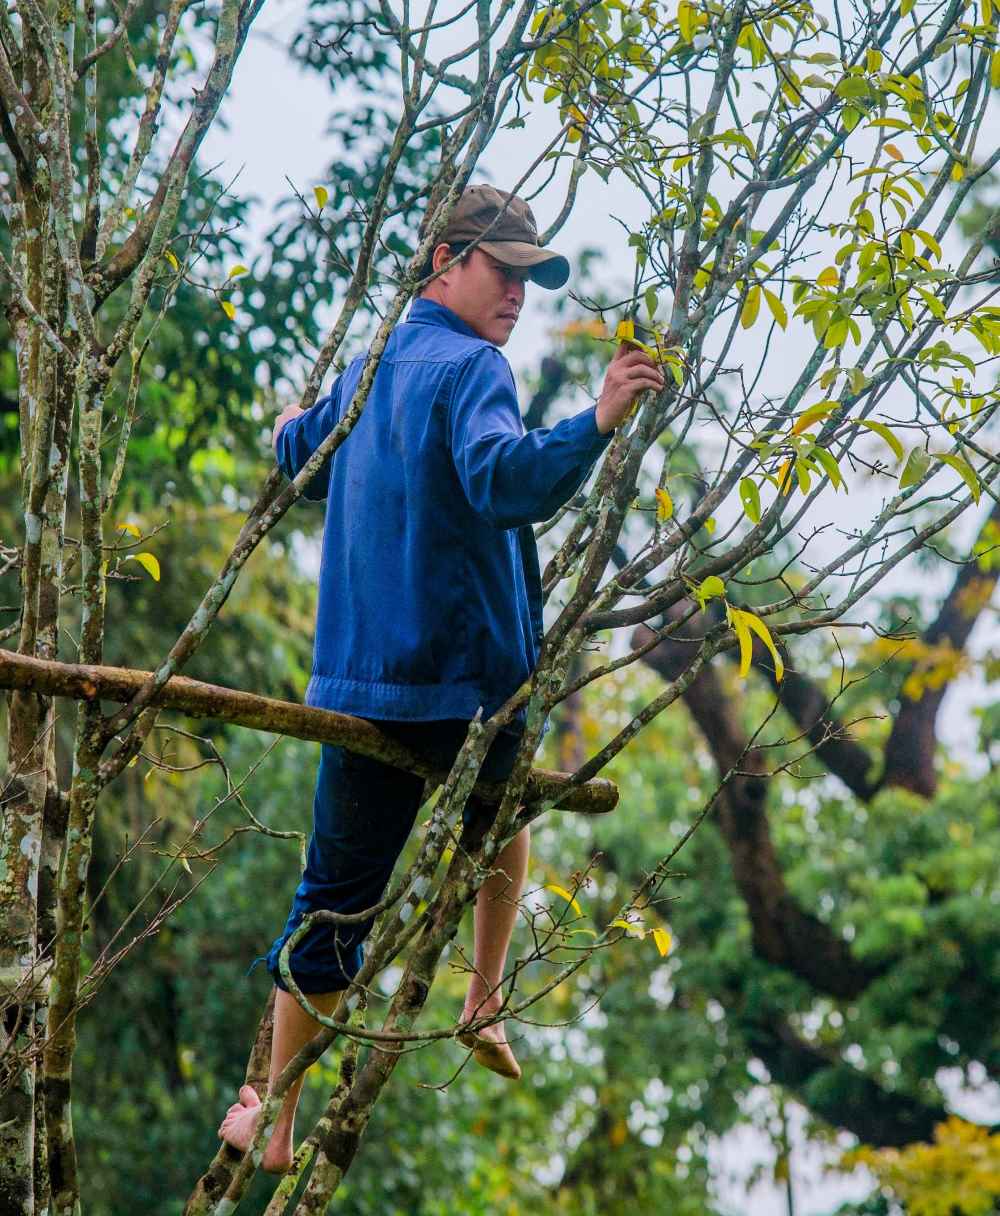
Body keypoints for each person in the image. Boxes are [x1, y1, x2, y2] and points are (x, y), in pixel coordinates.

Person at [219, 183, 666, 1172]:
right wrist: (594, 420)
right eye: (502, 270)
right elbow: (504, 481)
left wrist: (293, 419)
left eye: (527, 276)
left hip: (359, 690)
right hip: (467, 690)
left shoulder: (373, 357)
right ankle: (484, 995)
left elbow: (308, 447)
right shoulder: (475, 369)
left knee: (331, 903)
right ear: (444, 262)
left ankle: (280, 1123)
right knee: (500, 819)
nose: (517, 292)